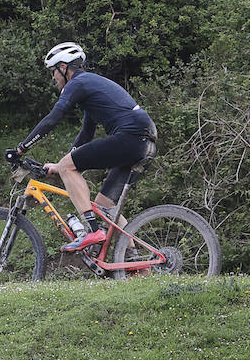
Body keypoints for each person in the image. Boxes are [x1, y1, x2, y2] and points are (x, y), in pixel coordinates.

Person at [13, 42, 157, 252]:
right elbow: (86, 134)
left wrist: (21, 149)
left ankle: (92, 230)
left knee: (68, 167)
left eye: (53, 72)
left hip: (131, 136)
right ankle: (136, 264)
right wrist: (61, 164)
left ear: (63, 67)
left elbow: (53, 118)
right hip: (145, 142)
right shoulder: (91, 88)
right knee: (105, 208)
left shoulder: (77, 84)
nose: (53, 78)